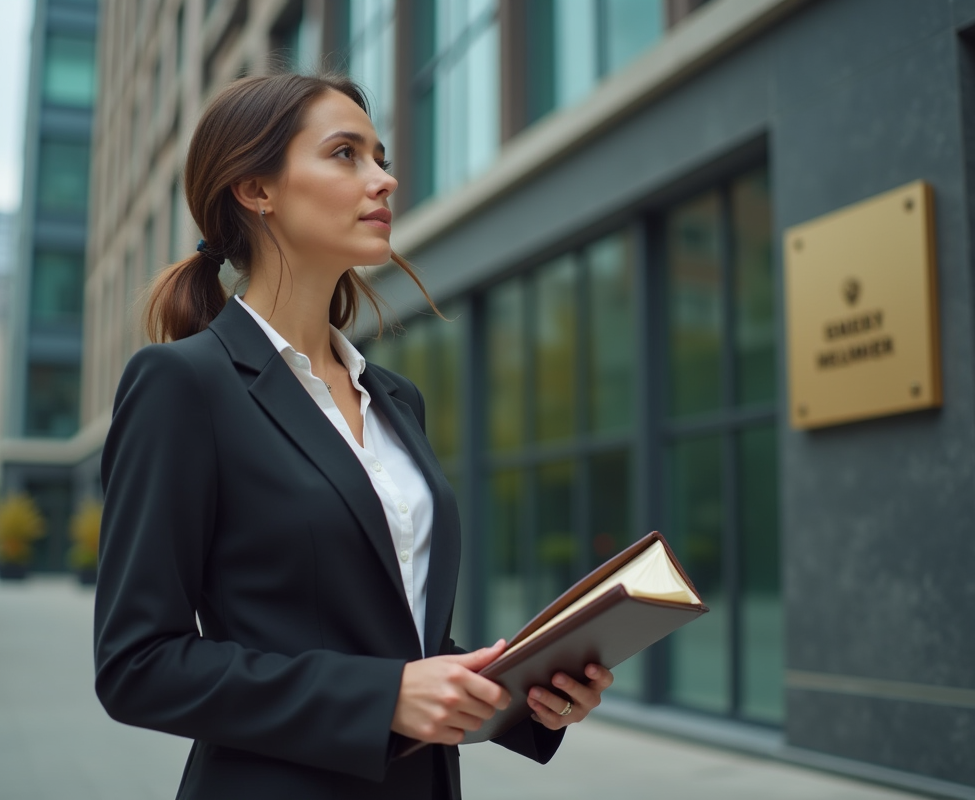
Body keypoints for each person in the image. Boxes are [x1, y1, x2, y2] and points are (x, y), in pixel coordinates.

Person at [93, 73, 614, 800]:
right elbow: (137, 666)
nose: (386, 178)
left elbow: (399, 649)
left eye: (381, 155)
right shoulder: (183, 385)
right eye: (346, 155)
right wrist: (382, 697)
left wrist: (525, 694)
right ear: (256, 189)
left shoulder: (397, 399)